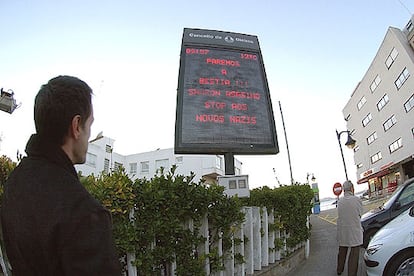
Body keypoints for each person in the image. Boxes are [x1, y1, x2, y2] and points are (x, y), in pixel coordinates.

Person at [1, 76, 121, 275]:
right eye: (89, 126)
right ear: (76, 126)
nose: (89, 136)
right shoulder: (85, 214)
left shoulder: (15, 181)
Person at [336, 180, 363, 276]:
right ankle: (351, 273)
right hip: (354, 229)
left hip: (343, 229)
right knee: (354, 253)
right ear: (351, 188)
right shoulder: (357, 199)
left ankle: (339, 269)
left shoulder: (340, 201)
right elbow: (360, 213)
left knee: (342, 250)